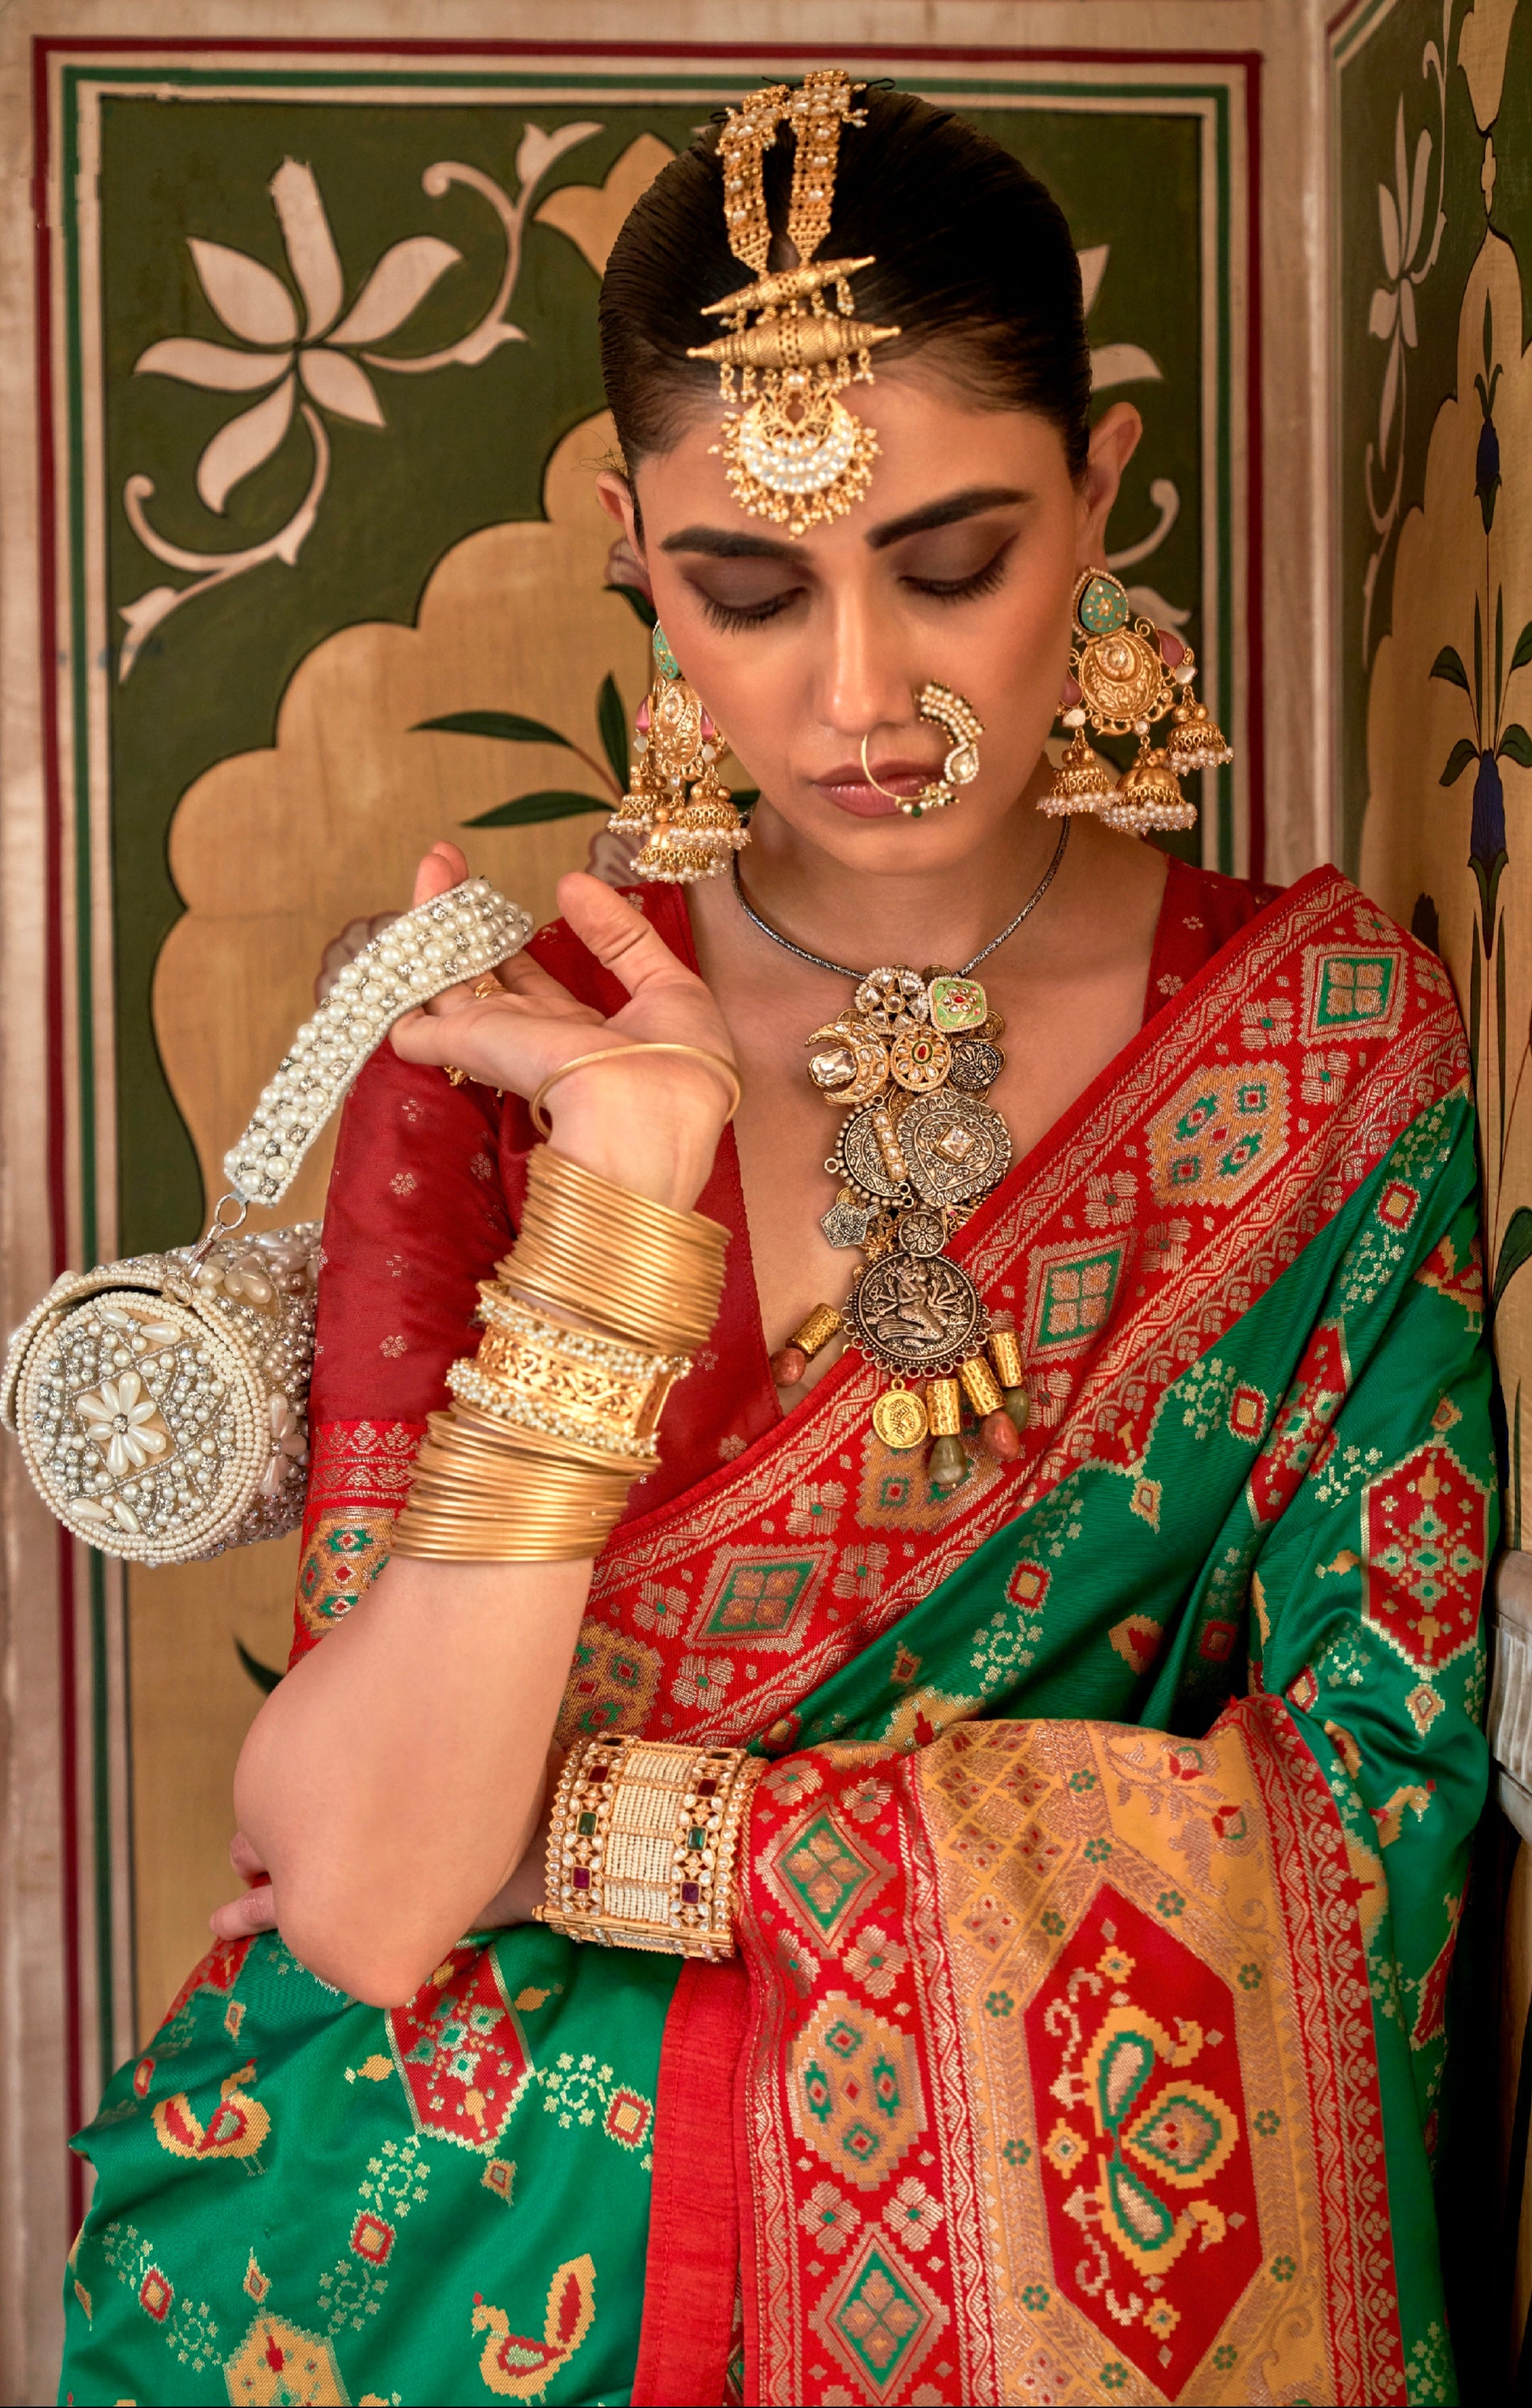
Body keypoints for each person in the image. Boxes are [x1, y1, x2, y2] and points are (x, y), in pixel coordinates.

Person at [60, 77, 1491, 2408]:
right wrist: (625, 1200)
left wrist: (646, 1836)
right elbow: (370, 1893)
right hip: (368, 2284)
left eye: (953, 563)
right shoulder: (505, 1052)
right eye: (749, 587)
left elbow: (1361, 1841)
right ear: (635, 549)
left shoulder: (1326, 1062)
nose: (859, 695)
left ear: (1105, 496)